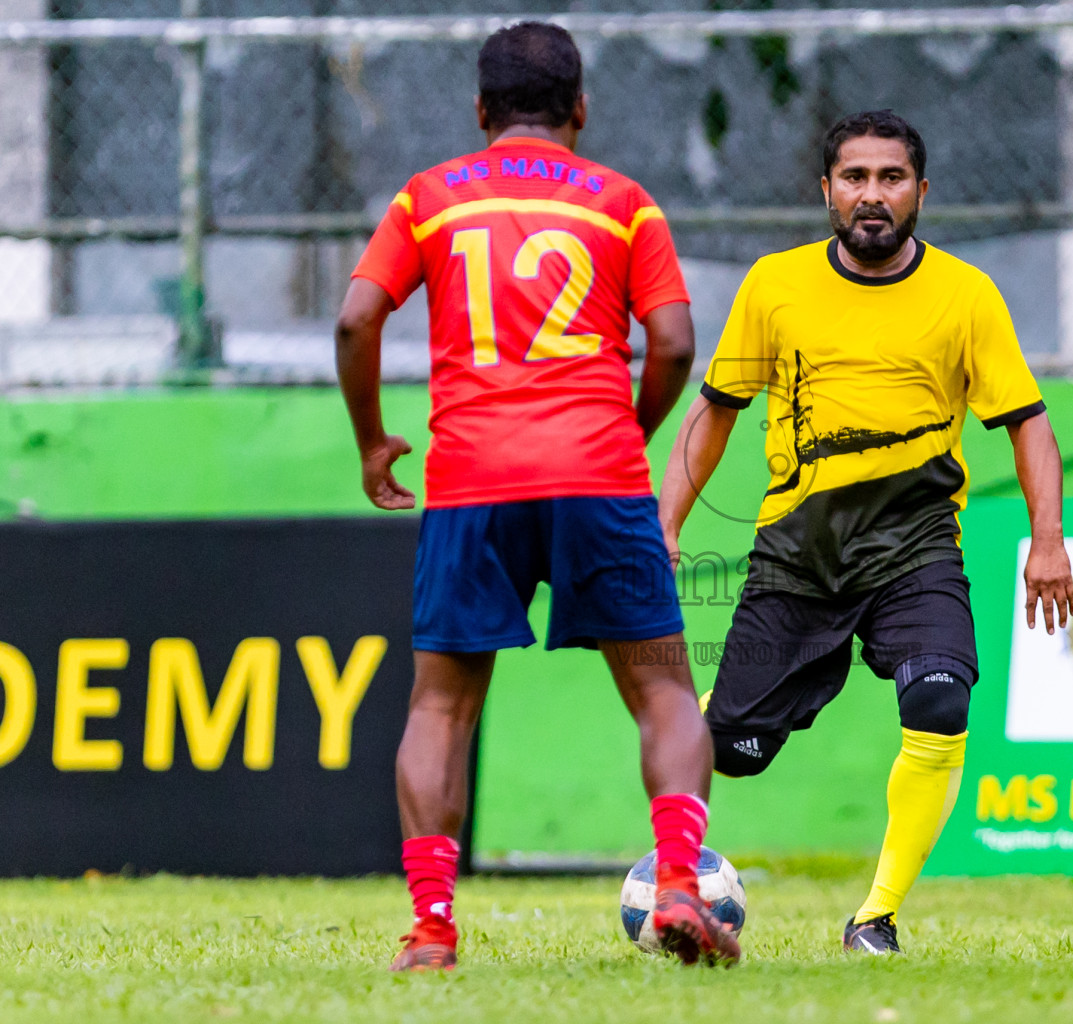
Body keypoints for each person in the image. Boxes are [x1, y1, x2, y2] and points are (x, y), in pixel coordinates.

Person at [335, 22, 738, 970]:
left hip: (472, 482)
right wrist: (624, 437)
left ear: (481, 111)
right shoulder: (625, 205)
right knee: (664, 692)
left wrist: (371, 441)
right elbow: (674, 341)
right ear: (581, 109)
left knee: (441, 710)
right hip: (598, 478)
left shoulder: (428, 199)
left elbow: (357, 318)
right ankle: (679, 881)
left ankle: (432, 931)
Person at [658, 109, 1073, 955]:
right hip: (797, 555)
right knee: (733, 750)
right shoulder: (774, 285)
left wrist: (1049, 538)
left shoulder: (966, 294)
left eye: (891, 178)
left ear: (922, 191)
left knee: (939, 697)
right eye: (855, 178)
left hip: (916, 548)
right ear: (826, 192)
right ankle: (677, 848)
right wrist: (663, 529)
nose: (872, 195)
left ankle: (876, 916)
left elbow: (1027, 422)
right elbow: (714, 414)